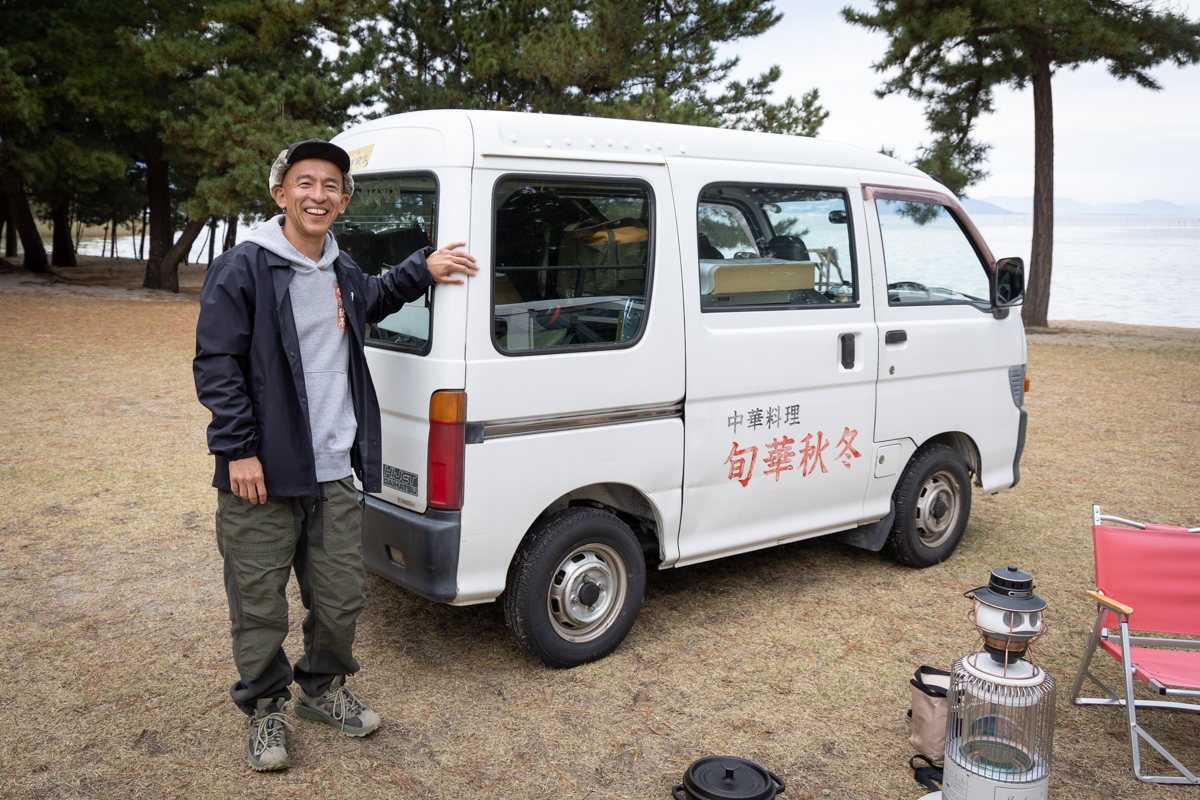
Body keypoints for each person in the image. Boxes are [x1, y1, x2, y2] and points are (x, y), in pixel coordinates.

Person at [193, 139, 477, 771]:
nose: (318, 194)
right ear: (280, 194)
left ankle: (322, 690)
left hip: (333, 472)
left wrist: (421, 268)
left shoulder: (342, 269)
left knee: (342, 596)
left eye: (331, 186)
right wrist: (238, 451)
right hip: (260, 475)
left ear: (344, 201)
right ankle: (266, 709)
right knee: (260, 602)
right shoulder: (244, 268)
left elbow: (373, 296)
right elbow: (216, 365)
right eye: (305, 183)